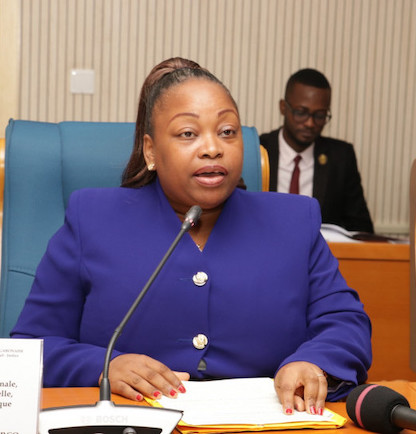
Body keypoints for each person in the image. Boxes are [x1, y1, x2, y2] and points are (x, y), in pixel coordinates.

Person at [11, 58, 371, 415]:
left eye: (227, 131)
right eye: (188, 133)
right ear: (151, 151)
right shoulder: (91, 218)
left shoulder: (293, 221)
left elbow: (345, 323)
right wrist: (104, 366)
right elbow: (31, 346)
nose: (212, 147)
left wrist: (313, 363)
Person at [260, 68, 374, 233]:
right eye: (301, 113)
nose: (310, 123)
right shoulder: (258, 150)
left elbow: (361, 228)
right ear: (283, 107)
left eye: (320, 115)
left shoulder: (341, 158)